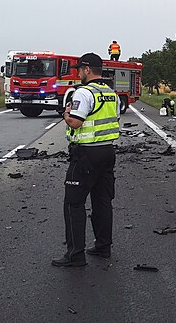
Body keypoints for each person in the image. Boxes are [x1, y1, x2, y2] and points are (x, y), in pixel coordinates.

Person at [52, 53, 120, 267]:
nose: (78, 73)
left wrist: (65, 113)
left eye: (79, 69)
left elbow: (75, 122)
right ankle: (103, 247)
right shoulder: (111, 93)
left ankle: (75, 255)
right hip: (107, 153)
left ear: (87, 69)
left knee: (73, 203)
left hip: (86, 155)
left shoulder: (85, 92)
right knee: (102, 201)